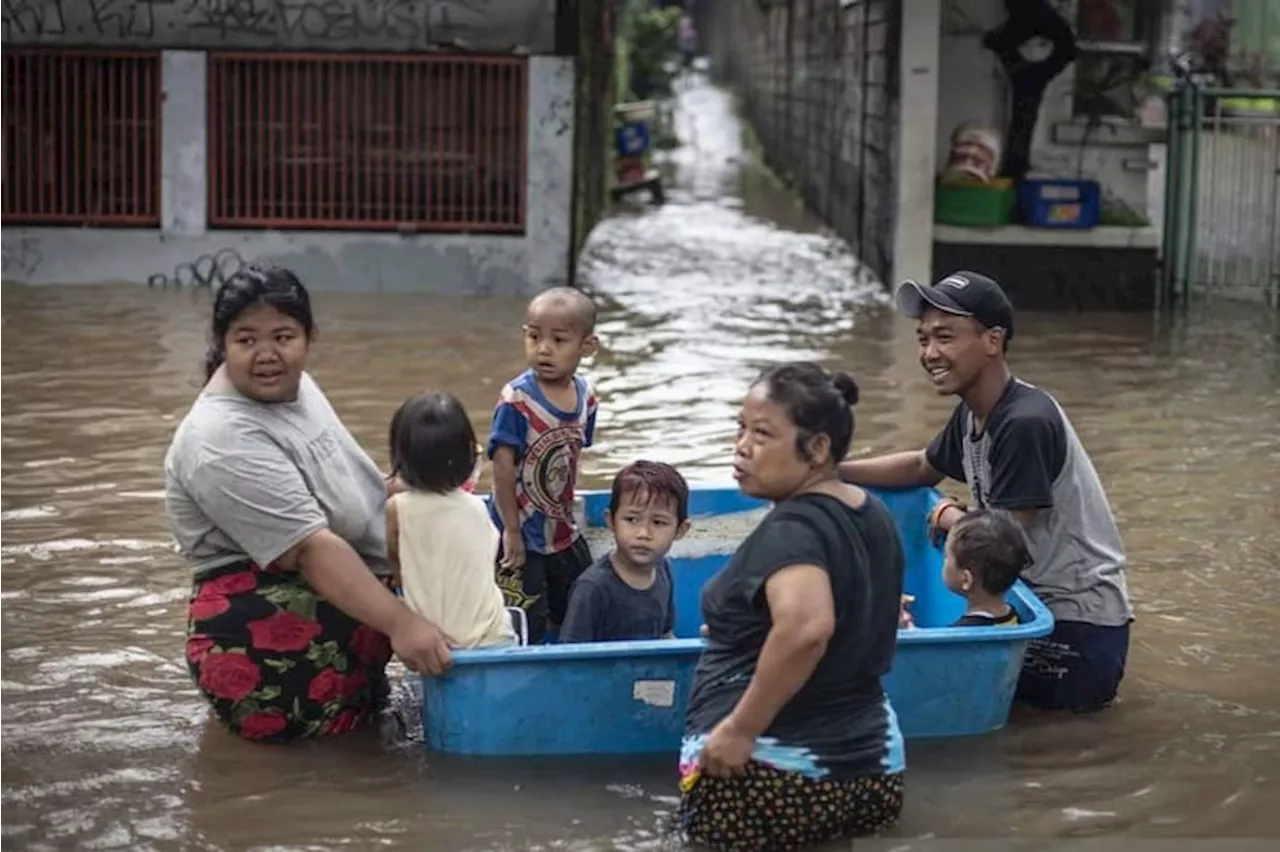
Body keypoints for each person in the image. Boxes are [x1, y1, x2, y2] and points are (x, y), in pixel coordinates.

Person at [164, 265, 453, 744]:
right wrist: (404, 624)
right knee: (325, 779)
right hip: (272, 654)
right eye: (246, 340)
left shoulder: (294, 386)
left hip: (348, 618)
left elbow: (350, 486)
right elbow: (312, 549)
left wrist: (436, 500)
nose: (267, 355)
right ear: (222, 342)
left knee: (370, 753)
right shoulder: (218, 438)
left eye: (283, 336)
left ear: (308, 336)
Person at [839, 270, 1133, 713]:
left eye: (945, 337)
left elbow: (1003, 541)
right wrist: (833, 471)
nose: (930, 353)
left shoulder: (1024, 422)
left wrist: (952, 519)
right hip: (1032, 608)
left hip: (1075, 626)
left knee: (1037, 752)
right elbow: (923, 466)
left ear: (992, 341)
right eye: (923, 339)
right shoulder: (975, 412)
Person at [678, 362, 906, 852]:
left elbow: (807, 629)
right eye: (740, 429)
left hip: (775, 770)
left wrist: (741, 729)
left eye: (762, 434)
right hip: (870, 763)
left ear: (818, 448)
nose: (741, 447)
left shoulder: (791, 530)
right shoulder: (871, 513)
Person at [487, 286, 599, 644]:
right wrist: (512, 530)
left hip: (561, 531)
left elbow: (571, 458)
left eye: (558, 340)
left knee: (583, 604)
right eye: (534, 337)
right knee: (525, 621)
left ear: (586, 347)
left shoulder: (586, 397)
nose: (544, 349)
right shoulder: (516, 400)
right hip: (521, 534)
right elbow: (502, 468)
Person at [386, 392, 517, 649]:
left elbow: (395, 565)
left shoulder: (396, 510)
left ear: (400, 457)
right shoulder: (476, 508)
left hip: (435, 645)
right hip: (495, 638)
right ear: (467, 457)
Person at [559, 460, 689, 644]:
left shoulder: (663, 569)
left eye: (658, 522)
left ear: (680, 530)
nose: (643, 533)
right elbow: (570, 657)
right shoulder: (592, 588)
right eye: (631, 519)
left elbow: (665, 635)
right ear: (611, 521)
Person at [941, 507, 1030, 627]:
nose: (944, 561)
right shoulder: (1013, 617)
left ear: (966, 579)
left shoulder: (959, 636)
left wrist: (910, 627)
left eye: (947, 557)